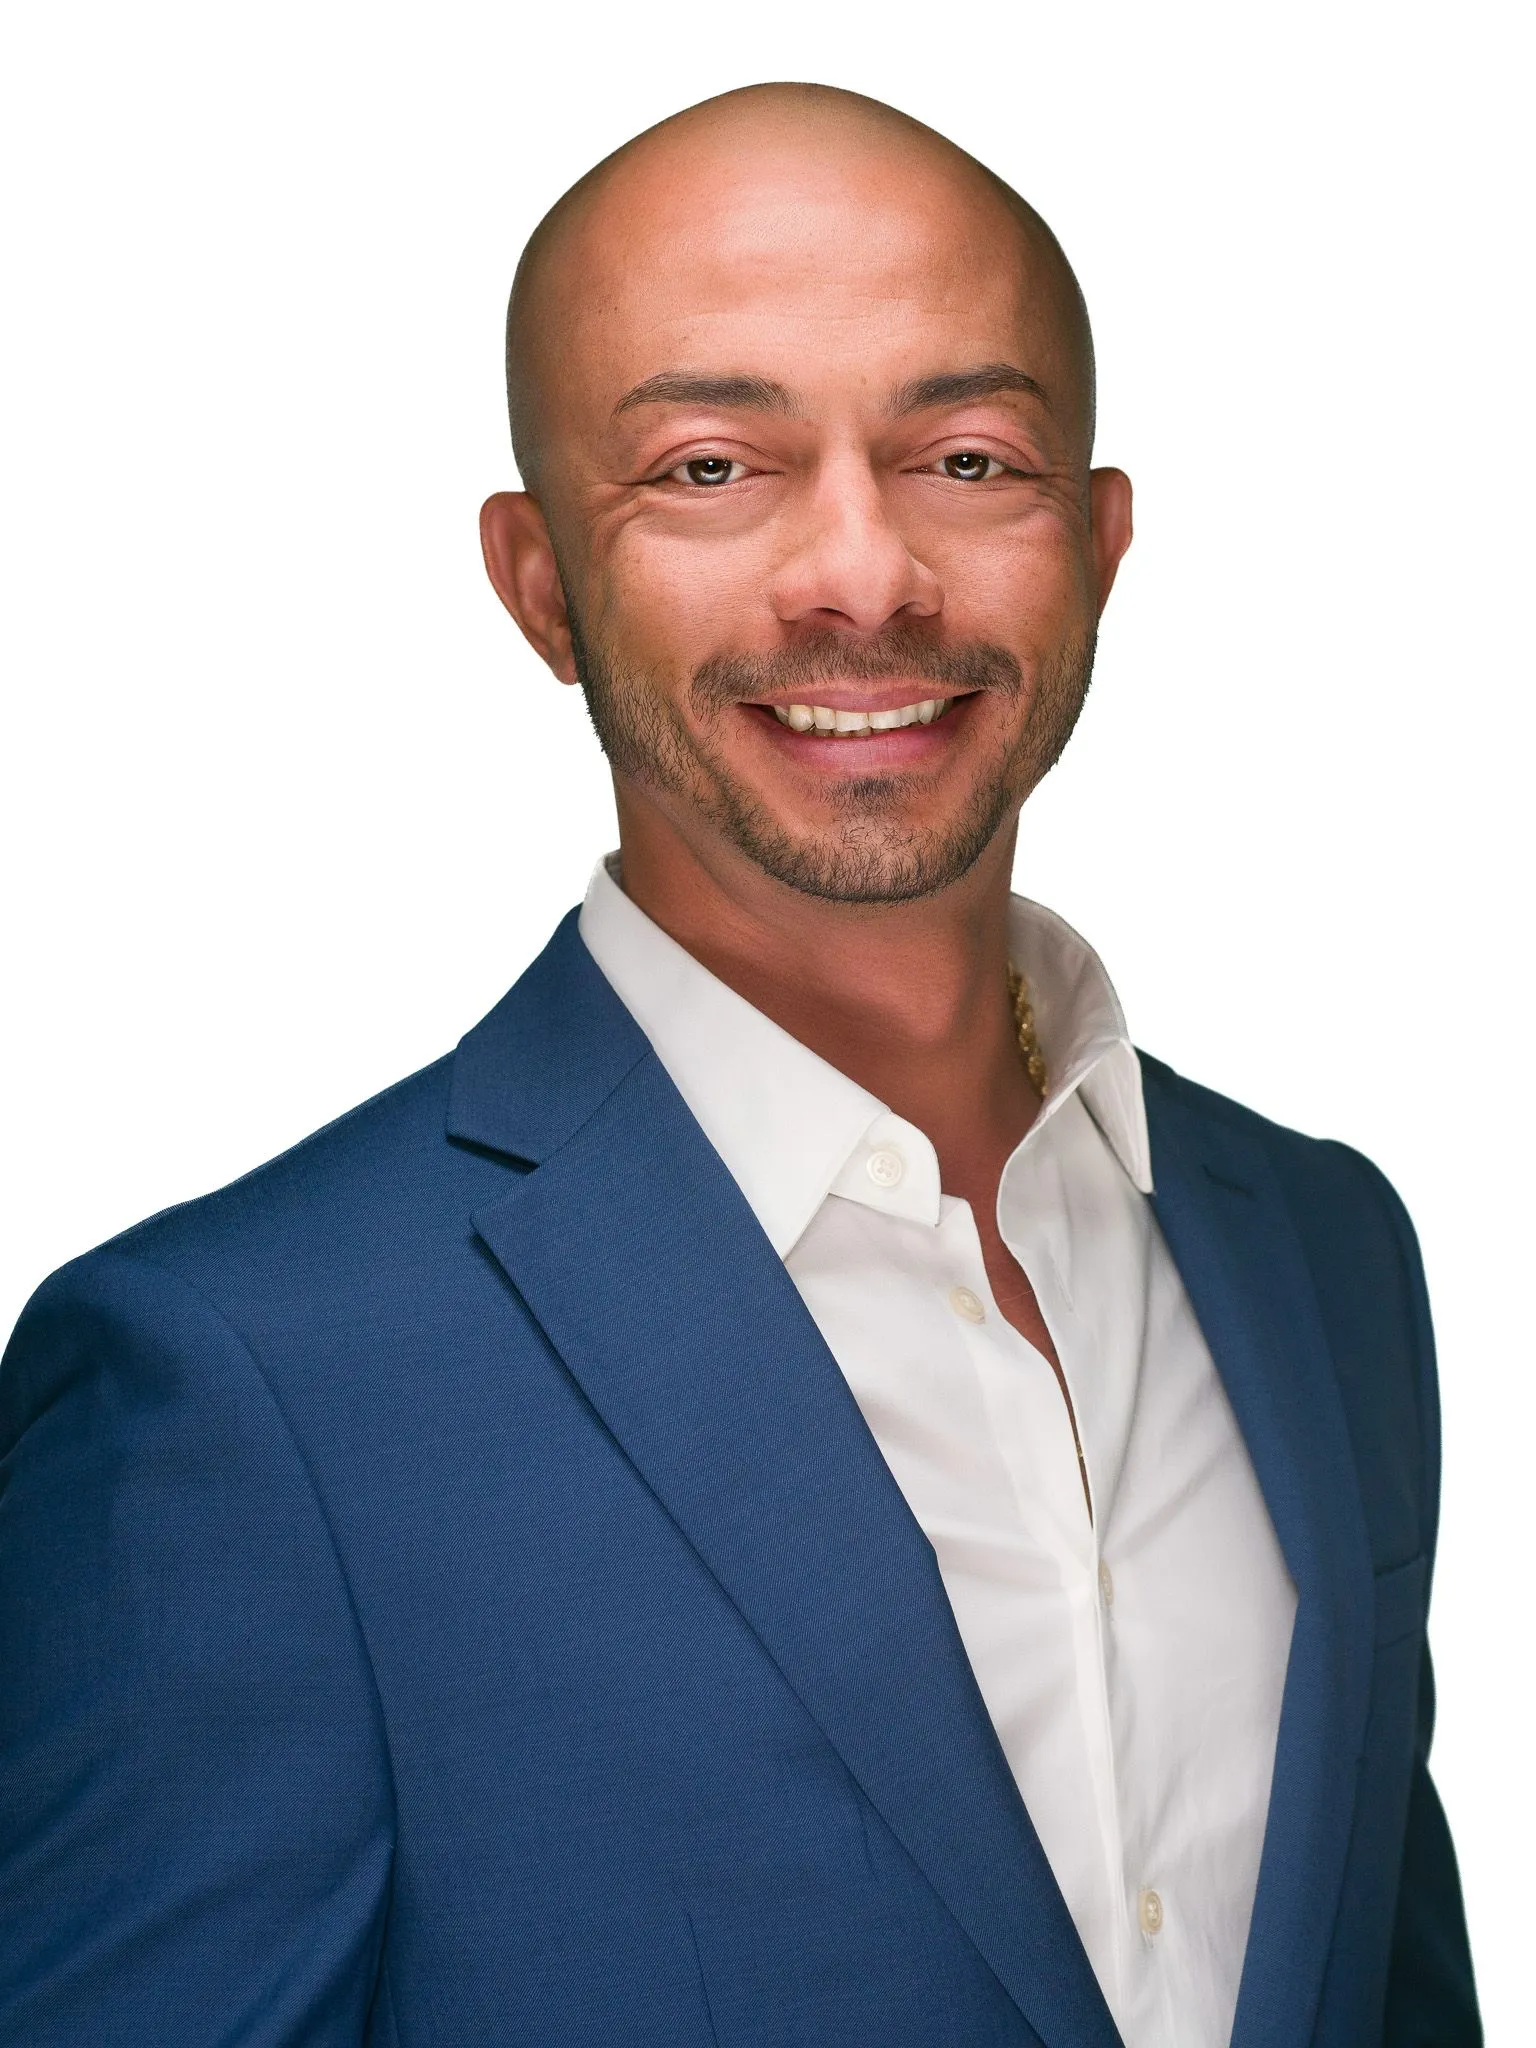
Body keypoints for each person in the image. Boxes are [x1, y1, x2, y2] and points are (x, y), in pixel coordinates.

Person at [0, 81, 1479, 2048]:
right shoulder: (240, 1388)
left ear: (1101, 544)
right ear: (540, 585)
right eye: (710, 468)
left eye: (969, 455)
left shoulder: (1328, 1256)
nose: (863, 575)